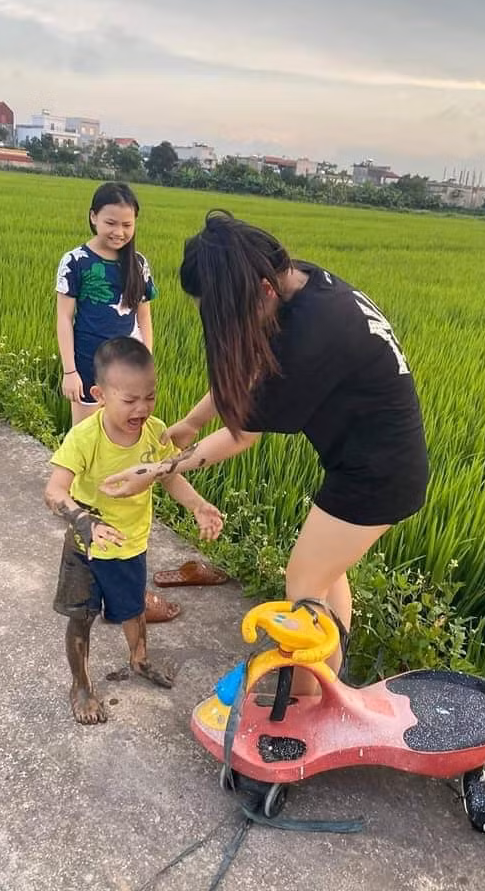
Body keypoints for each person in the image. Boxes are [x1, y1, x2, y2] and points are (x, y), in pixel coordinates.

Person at [100, 210, 430, 693]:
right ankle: (327, 681)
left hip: (377, 478)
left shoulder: (311, 337)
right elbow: (247, 372)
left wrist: (154, 470)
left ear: (261, 289)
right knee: (326, 573)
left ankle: (308, 695)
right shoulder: (306, 281)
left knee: (303, 586)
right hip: (369, 463)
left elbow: (241, 432)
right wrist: (192, 422)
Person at [44, 336, 224, 724]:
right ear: (101, 394)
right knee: (81, 617)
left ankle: (139, 661)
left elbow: (170, 476)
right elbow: (54, 490)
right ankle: (80, 685)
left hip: (129, 544)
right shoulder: (85, 438)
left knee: (133, 609)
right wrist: (83, 521)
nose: (141, 409)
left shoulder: (154, 432)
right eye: (129, 400)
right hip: (85, 548)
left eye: (150, 397)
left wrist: (197, 506)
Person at [55, 181, 179, 623]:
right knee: (88, 462)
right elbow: (65, 317)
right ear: (92, 217)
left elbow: (144, 317)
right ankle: (88, 561)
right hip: (91, 374)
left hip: (128, 376)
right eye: (110, 222)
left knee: (133, 463)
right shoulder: (75, 261)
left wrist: (147, 368)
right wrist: (71, 372)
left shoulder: (138, 264)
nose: (119, 231)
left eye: (127, 224)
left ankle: (128, 577)